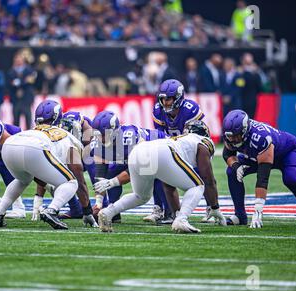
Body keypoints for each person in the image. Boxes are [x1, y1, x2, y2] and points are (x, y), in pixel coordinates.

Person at [0, 100, 98, 230]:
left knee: (22, 179)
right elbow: (80, 180)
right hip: (34, 149)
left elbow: (39, 171)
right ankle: (52, 210)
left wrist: (39, 196)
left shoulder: (37, 129)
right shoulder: (69, 138)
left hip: (10, 144)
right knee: (72, 183)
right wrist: (87, 211)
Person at [98, 120, 226, 233]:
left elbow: (168, 186)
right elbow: (208, 179)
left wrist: (176, 213)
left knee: (140, 196)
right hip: (163, 151)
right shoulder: (202, 141)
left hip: (140, 150)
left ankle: (108, 212)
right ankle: (182, 219)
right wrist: (215, 207)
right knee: (198, 185)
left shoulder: (182, 140)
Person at [222, 110, 296, 227]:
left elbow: (263, 178)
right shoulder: (230, 135)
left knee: (290, 180)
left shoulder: (260, 138)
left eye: (236, 136)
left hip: (286, 153)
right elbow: (228, 154)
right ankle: (240, 215)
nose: (233, 139)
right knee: (232, 171)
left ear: (245, 130)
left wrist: (258, 210)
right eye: (230, 136)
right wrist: (236, 166)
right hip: (258, 155)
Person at [90, 110, 172, 224]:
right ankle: (113, 210)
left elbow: (137, 168)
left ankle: (168, 211)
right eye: (98, 135)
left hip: (160, 149)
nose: (101, 139)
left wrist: (111, 183)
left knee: (156, 173)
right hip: (133, 157)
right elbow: (101, 176)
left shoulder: (130, 137)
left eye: (103, 135)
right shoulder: (97, 143)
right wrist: (98, 204)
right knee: (110, 172)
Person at [152, 79, 205, 223]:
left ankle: (211, 209)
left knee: (204, 174)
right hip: (171, 147)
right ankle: (164, 210)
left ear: (178, 97)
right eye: (162, 98)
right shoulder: (158, 110)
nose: (165, 102)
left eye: (168, 99)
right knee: (156, 169)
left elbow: (196, 136)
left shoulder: (190, 109)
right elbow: (160, 136)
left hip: (191, 149)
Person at [7, 52, 37, 130]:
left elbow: (31, 81)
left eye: (20, 59)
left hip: (26, 99)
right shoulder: (11, 71)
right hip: (16, 99)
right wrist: (24, 81)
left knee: (28, 119)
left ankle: (29, 136)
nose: (18, 61)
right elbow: (9, 83)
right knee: (16, 120)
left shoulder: (29, 70)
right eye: (17, 59)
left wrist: (18, 82)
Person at [239, 53, 262, 119]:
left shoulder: (241, 74)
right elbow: (260, 88)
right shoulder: (255, 75)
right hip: (250, 100)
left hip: (244, 100)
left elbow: (240, 87)